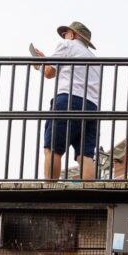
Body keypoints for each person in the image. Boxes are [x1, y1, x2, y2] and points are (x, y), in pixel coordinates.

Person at [34, 21, 101, 180]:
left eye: (66, 33)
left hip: (68, 100)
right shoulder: (94, 58)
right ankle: (89, 195)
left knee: (52, 148)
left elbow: (49, 72)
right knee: (85, 155)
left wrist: (39, 64)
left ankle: (51, 190)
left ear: (74, 35)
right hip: (92, 106)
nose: (64, 36)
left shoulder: (67, 45)